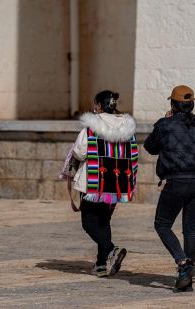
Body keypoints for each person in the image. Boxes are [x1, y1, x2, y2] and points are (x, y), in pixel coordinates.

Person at [144, 85, 195, 292]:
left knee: (162, 224)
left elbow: (150, 147)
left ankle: (182, 262)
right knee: (190, 230)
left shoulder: (166, 124)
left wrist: (165, 120)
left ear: (173, 104)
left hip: (177, 182)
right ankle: (186, 276)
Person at [72, 90, 137, 278]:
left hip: (94, 182)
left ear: (99, 105)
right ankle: (101, 264)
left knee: (89, 222)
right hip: (116, 182)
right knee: (103, 221)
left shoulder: (92, 125)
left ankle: (111, 250)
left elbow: (80, 152)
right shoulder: (126, 126)